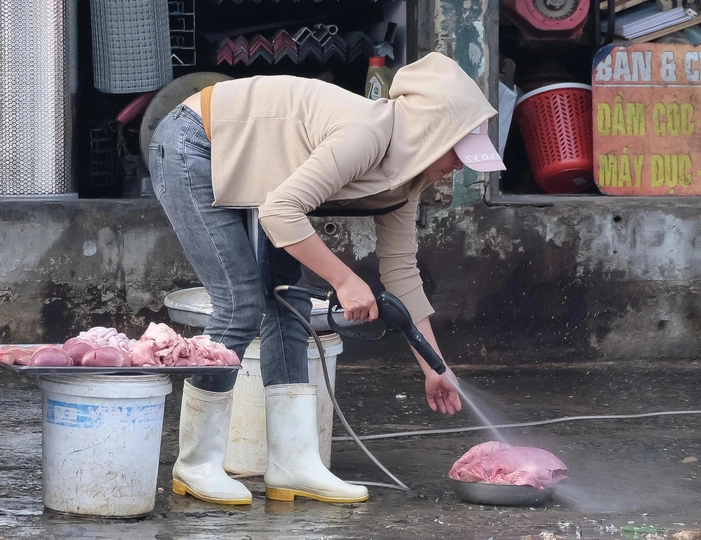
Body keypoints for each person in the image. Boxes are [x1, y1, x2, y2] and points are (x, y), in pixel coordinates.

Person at [149, 52, 505, 507]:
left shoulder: (406, 181)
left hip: (257, 168)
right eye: (458, 149)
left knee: (289, 304)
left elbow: (401, 273)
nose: (461, 165)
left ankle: (293, 464)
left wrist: (435, 366)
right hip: (195, 143)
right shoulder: (366, 133)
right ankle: (196, 463)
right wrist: (344, 280)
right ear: (431, 131)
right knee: (239, 304)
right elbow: (281, 211)